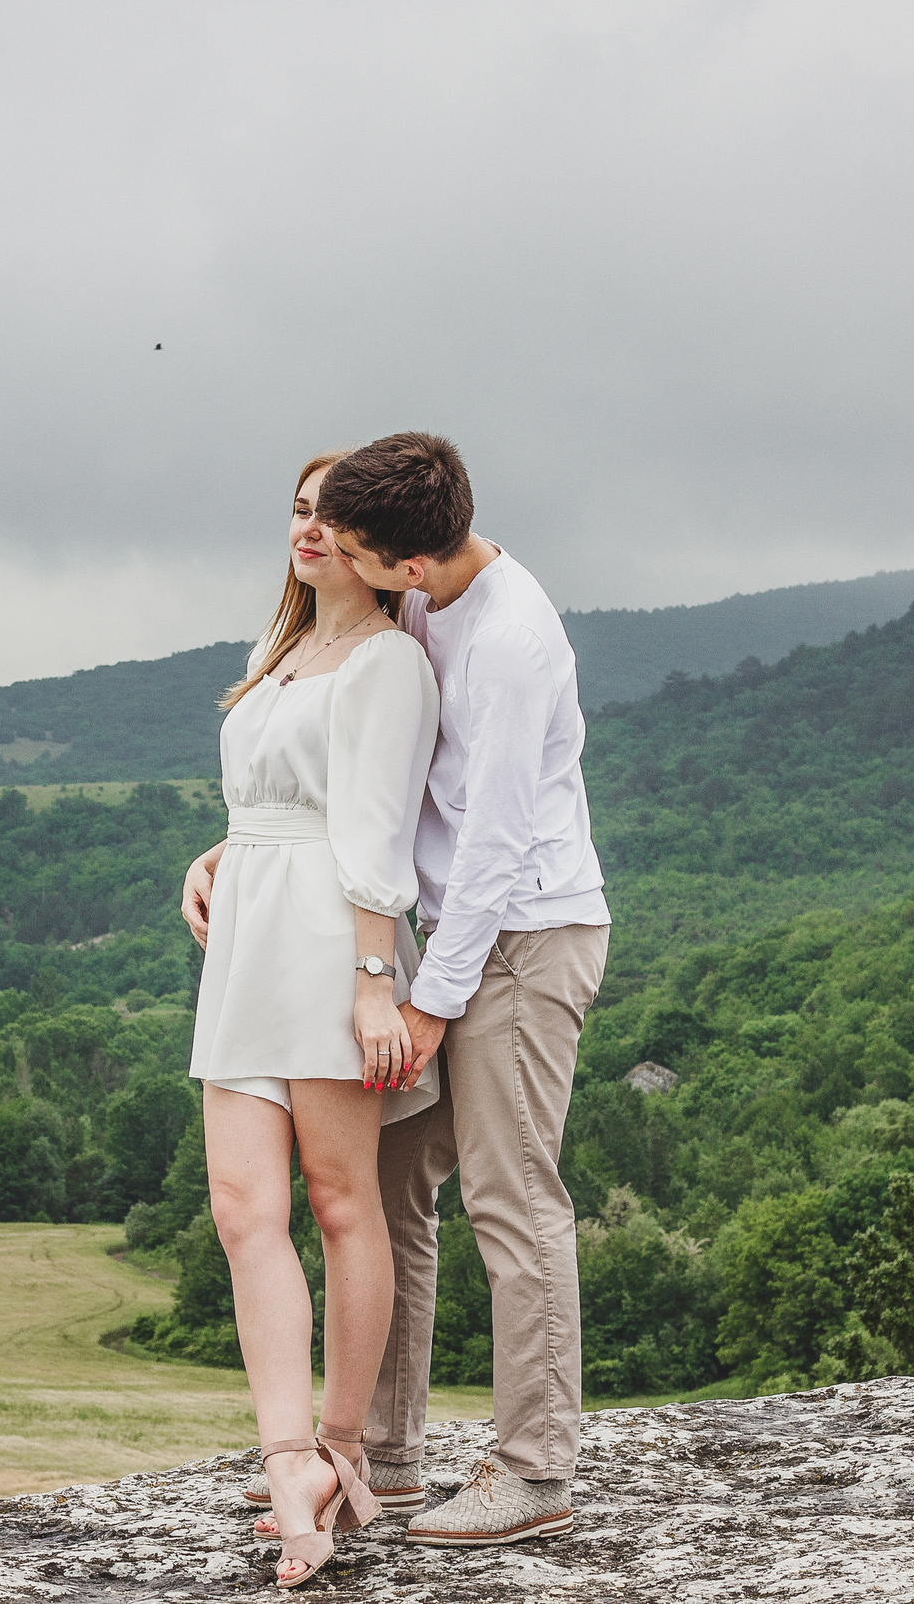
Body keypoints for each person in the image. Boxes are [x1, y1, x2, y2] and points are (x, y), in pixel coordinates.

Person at [315, 430, 613, 1547]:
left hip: (525, 941)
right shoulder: (430, 596)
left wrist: (432, 1004)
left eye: (352, 549)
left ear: (407, 562)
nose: (337, 560)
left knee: (511, 1195)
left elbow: (493, 843)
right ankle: (386, 1454)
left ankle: (534, 1470)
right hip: (451, 939)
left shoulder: (512, 642)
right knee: (394, 1179)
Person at [179, 448, 443, 1589]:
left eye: (334, 516)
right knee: (242, 1207)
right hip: (248, 937)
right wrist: (215, 856)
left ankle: (342, 1447)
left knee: (342, 1202)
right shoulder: (276, 652)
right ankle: (284, 1459)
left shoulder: (390, 661)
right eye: (299, 509)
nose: (310, 529)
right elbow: (271, 803)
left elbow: (374, 829)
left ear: (373, 542)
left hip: (335, 940)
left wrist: (374, 980)